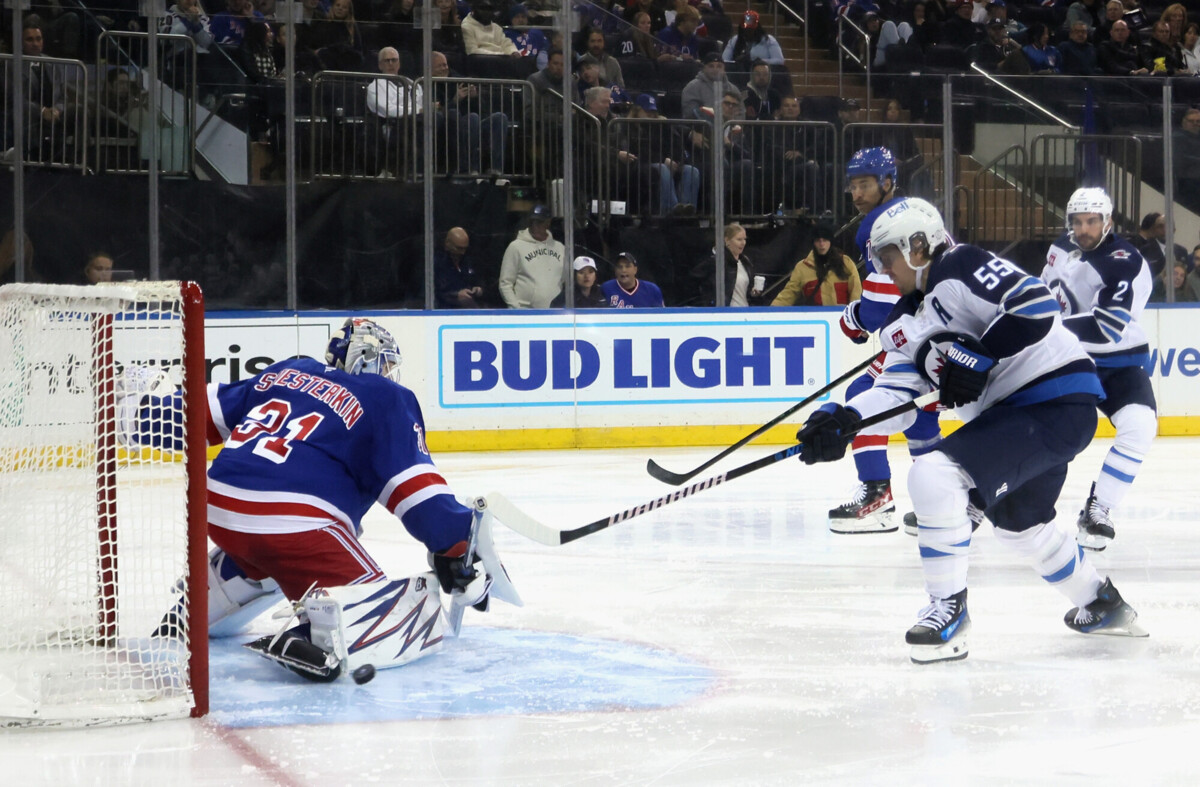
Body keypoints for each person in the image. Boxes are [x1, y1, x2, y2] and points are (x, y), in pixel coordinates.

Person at [796, 197, 1146, 664]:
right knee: (1022, 525)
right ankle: (1102, 603)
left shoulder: (960, 264)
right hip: (1019, 416)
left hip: (1056, 398)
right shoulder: (903, 324)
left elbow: (1035, 306)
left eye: (887, 257)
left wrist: (978, 356)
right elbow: (898, 394)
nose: (882, 269)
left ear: (918, 245)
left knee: (934, 474)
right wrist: (846, 419)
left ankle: (949, 611)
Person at [132, 318, 520, 680]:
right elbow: (420, 497)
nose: (388, 374)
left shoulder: (289, 371)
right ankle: (316, 633)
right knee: (394, 613)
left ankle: (207, 599)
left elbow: (193, 415)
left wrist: (138, 412)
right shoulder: (386, 398)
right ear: (370, 361)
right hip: (294, 522)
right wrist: (458, 546)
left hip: (216, 504)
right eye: (385, 364)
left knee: (268, 552)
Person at [833, 147, 944, 534]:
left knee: (863, 395)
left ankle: (878, 497)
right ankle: (939, 502)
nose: (857, 194)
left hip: (920, 334)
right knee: (919, 414)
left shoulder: (877, 228)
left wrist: (853, 318)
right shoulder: (916, 210)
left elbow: (881, 309)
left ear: (886, 183)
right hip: (941, 330)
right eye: (853, 186)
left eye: (864, 184)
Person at [1042, 188, 1155, 551]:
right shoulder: (1061, 247)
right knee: (1034, 430)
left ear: (1108, 221)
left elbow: (1106, 327)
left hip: (1117, 363)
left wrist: (1043, 326)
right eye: (1077, 222)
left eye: (1092, 221)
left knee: (1140, 426)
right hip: (1065, 360)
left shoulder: (1124, 261)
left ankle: (1099, 508)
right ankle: (979, 498)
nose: (1084, 229)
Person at [771, 224, 861, 306]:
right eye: (818, 241)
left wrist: (854, 314)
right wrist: (770, 312)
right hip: (817, 320)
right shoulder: (802, 268)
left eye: (825, 240)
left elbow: (856, 291)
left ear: (831, 241)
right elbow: (788, 294)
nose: (822, 244)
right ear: (813, 243)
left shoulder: (846, 263)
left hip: (843, 319)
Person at [499, 204, 565, 308]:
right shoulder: (516, 247)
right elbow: (505, 283)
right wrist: (516, 309)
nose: (535, 226)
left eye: (539, 222)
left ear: (548, 223)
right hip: (525, 313)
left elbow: (566, 280)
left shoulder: (560, 248)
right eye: (532, 222)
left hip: (555, 312)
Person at [434, 227, 484, 307]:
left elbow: (478, 280)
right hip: (443, 311)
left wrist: (478, 289)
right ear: (447, 244)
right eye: (459, 248)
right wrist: (455, 295)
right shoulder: (435, 264)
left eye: (465, 249)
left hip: (469, 309)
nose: (462, 253)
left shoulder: (468, 261)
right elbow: (431, 293)